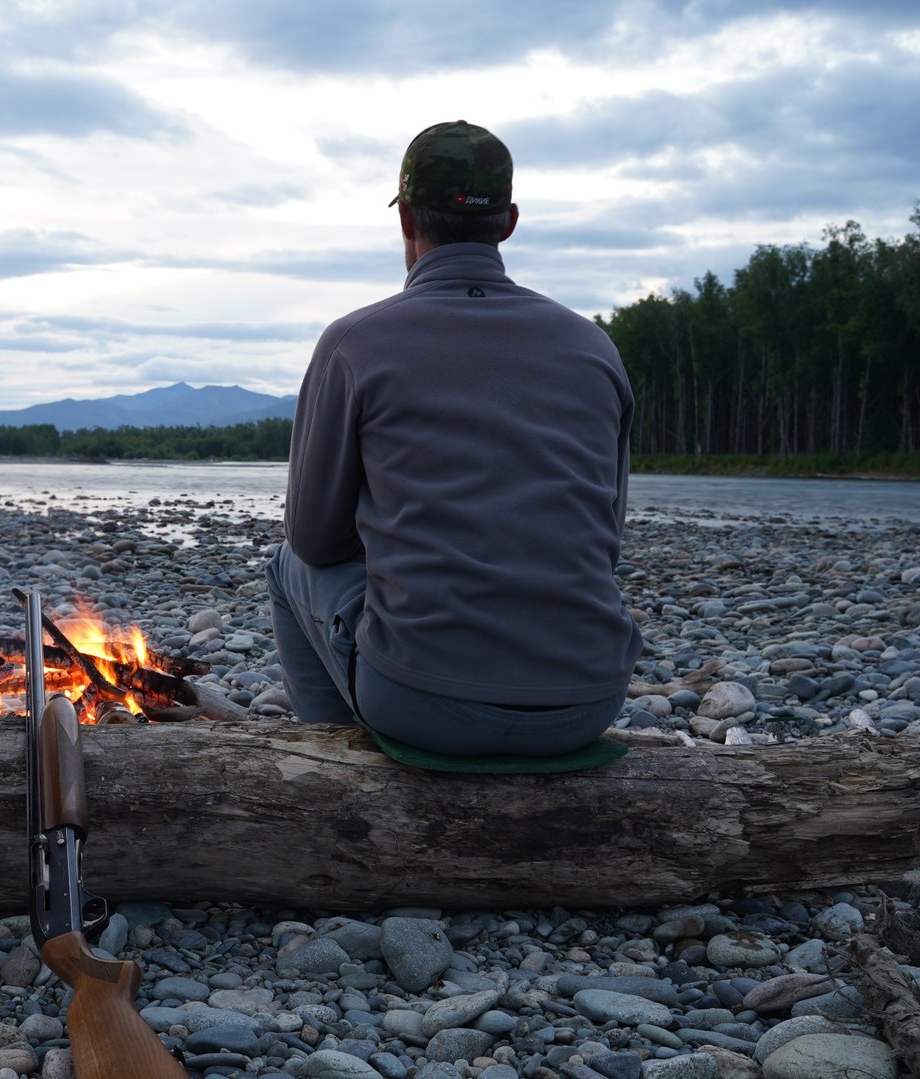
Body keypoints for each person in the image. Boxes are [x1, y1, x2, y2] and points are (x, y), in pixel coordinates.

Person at [266, 120, 641, 758]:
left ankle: (333, 770)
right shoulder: (592, 346)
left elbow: (314, 539)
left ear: (407, 218)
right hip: (587, 701)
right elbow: (603, 537)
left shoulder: (356, 343)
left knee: (286, 565)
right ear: (510, 222)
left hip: (423, 704)